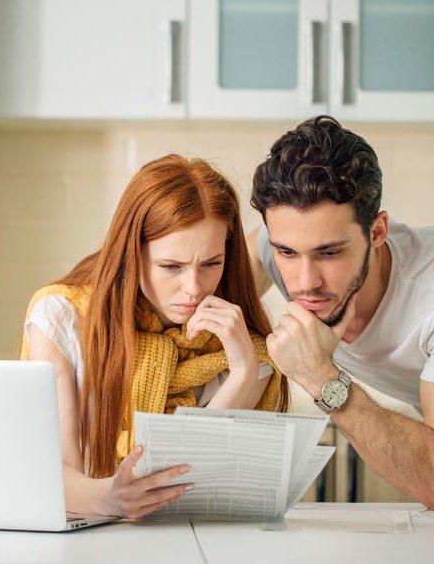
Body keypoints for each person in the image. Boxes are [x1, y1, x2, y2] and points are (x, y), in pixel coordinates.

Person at [21, 154, 288, 519]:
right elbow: (55, 475)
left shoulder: (242, 345)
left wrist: (243, 373)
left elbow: (191, 471)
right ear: (131, 254)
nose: (193, 288)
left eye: (211, 263)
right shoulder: (62, 317)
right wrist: (110, 498)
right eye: (171, 267)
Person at [247, 115, 434, 509]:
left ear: (377, 232)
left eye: (329, 253)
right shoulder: (280, 241)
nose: (304, 282)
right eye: (287, 252)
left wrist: (318, 375)